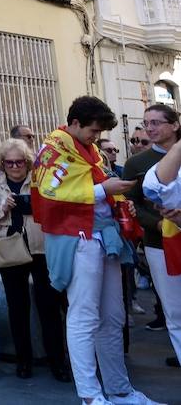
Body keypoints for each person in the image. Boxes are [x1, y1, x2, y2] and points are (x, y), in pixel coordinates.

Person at [34, 95, 160, 405]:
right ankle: (90, 395)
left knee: (113, 317)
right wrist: (106, 189)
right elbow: (50, 193)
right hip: (77, 238)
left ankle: (119, 390)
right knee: (84, 316)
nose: (96, 138)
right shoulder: (52, 151)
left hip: (103, 238)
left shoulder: (88, 151)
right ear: (75, 123)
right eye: (93, 131)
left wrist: (115, 196)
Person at [0, 138, 68, 381]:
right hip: (10, 250)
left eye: (20, 162)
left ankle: (57, 362)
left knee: (49, 308)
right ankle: (24, 361)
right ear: (2, 164)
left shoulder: (40, 179)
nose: (15, 167)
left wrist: (34, 205)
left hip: (43, 251)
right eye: (10, 163)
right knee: (17, 309)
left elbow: (56, 209)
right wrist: (3, 209)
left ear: (28, 162)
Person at [126, 103, 181, 366]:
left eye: (157, 122)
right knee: (174, 309)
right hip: (159, 243)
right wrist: (156, 224)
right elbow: (131, 203)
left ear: (175, 125)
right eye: (147, 123)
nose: (150, 128)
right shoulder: (138, 163)